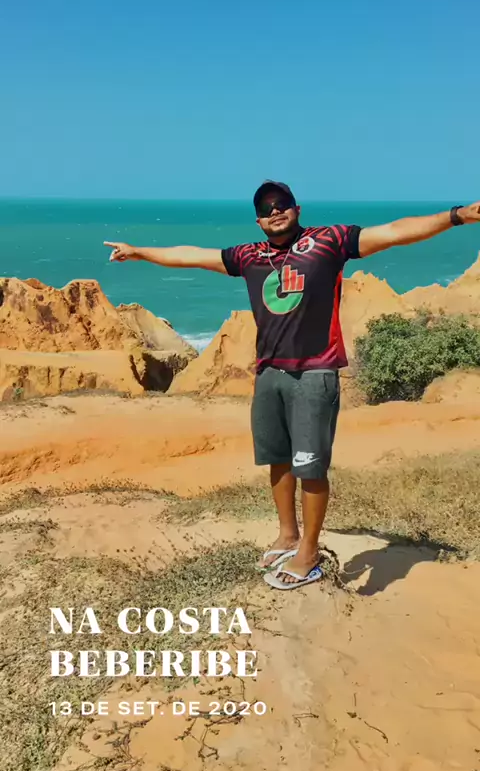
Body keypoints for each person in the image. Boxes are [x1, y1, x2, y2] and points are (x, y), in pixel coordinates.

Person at [104, 183, 480, 591]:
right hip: (270, 373)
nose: (275, 211)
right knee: (278, 460)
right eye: (267, 208)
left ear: (296, 209)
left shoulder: (329, 241)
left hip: (315, 373)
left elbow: (393, 231)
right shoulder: (249, 256)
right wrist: (139, 252)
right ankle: (287, 535)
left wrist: (456, 216)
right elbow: (192, 256)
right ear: (258, 221)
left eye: (282, 205)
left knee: (310, 467)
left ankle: (309, 553)